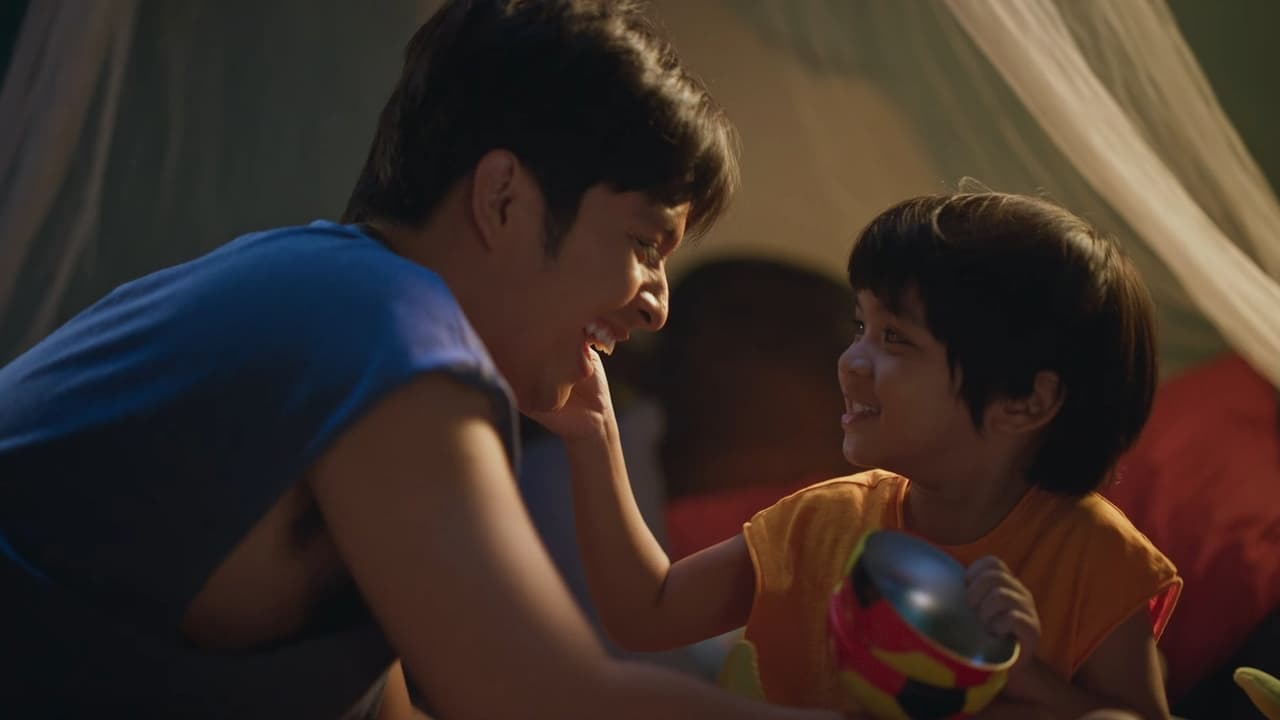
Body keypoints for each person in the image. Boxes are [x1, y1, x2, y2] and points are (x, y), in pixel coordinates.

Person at [0, 2, 846, 718]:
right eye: (643, 244)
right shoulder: (386, 322)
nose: (658, 302)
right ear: (503, 199)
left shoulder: (347, 309)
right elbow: (540, 695)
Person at [543, 192, 1182, 718]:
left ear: (1024, 400)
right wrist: (594, 432)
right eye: (861, 327)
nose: (850, 362)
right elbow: (647, 614)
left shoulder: (1097, 558)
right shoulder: (823, 521)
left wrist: (1028, 680)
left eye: (895, 338)